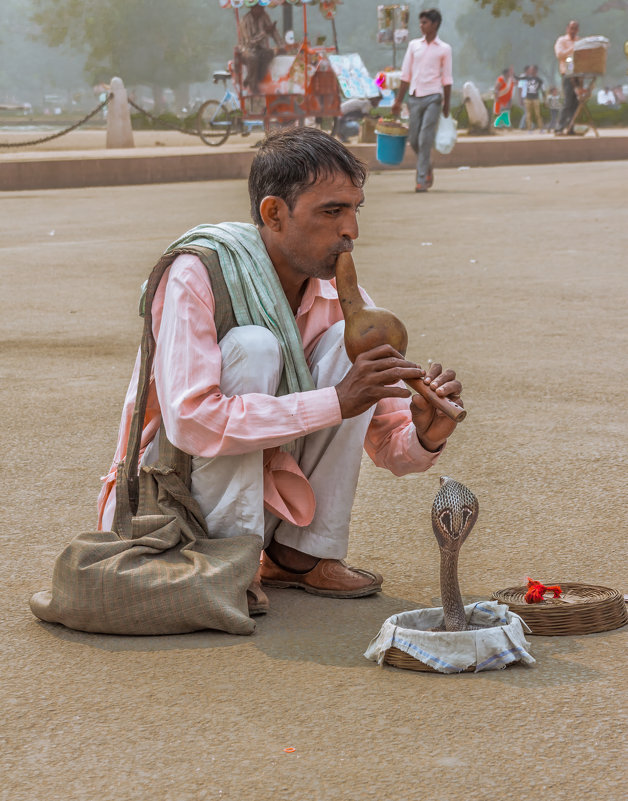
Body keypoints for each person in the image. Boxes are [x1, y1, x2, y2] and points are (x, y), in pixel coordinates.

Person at [97, 127, 463, 615]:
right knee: (255, 347)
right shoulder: (198, 272)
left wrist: (425, 434)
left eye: (355, 209)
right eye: (332, 211)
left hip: (267, 500)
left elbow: (393, 449)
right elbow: (190, 421)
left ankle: (298, 556)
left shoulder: (339, 301)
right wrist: (336, 401)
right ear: (274, 213)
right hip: (170, 510)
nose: (351, 229)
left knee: (343, 348)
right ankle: (227, 566)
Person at [391, 8, 453, 193]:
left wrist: (447, 104)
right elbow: (405, 75)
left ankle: (421, 179)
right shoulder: (413, 46)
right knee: (414, 139)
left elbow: (447, 79)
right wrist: (398, 101)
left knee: (426, 138)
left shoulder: (444, 49)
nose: (421, 25)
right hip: (415, 96)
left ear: (434, 24)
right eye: (421, 22)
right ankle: (427, 166)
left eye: (425, 22)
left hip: (434, 97)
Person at [238, 4, 283, 93]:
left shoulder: (264, 16)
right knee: (253, 58)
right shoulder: (245, 20)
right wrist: (264, 32)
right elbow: (250, 42)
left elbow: (273, 32)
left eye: (262, 7)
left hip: (260, 49)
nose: (261, 9)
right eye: (258, 7)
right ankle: (253, 88)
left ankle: (252, 78)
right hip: (246, 50)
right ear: (252, 8)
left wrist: (282, 46)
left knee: (270, 53)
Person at [554, 20, 580, 135]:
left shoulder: (580, 41)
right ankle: (559, 127)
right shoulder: (562, 41)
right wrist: (573, 49)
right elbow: (560, 55)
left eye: (575, 28)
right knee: (567, 101)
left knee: (576, 102)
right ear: (567, 29)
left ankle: (570, 127)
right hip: (567, 74)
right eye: (571, 28)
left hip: (578, 74)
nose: (573, 31)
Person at [523, 65, 544, 131]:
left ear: (535, 71)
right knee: (528, 115)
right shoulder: (527, 79)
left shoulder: (539, 80)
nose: (530, 71)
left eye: (532, 70)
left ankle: (541, 128)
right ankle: (529, 129)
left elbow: (542, 89)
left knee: (537, 114)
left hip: (535, 98)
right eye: (530, 70)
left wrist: (544, 98)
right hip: (528, 98)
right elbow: (524, 88)